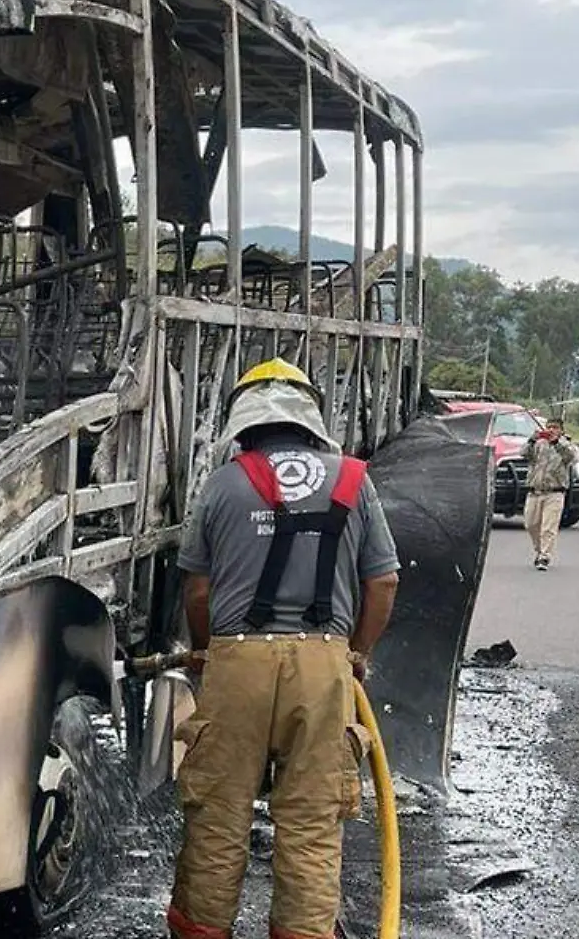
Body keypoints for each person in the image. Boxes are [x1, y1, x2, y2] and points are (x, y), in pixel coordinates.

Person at [169, 359, 402, 939]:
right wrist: (356, 653)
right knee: (312, 824)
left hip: (237, 662)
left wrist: (204, 654)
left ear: (243, 423)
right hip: (324, 665)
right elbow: (385, 582)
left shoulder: (222, 483)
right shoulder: (355, 479)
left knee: (218, 817)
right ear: (310, 419)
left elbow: (197, 589)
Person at [522, 418, 579, 570]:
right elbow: (523, 454)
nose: (551, 430)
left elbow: (571, 458)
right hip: (535, 490)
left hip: (554, 492)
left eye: (555, 428)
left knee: (548, 527)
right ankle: (539, 550)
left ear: (561, 430)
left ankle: (544, 556)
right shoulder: (538, 444)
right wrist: (531, 440)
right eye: (549, 427)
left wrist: (556, 443)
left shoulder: (567, 445)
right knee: (530, 524)